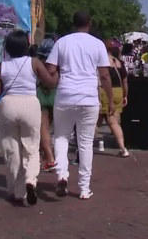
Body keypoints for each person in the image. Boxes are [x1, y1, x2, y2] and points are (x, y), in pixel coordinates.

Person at [45, 11, 113, 200]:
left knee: (61, 137)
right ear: (89, 23)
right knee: (85, 143)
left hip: (65, 95)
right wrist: (109, 98)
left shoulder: (62, 42)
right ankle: (84, 188)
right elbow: (105, 75)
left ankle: (61, 175)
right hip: (88, 98)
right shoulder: (97, 44)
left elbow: (50, 69)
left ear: (73, 23)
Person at [0, 30, 58, 206]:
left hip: (9, 104)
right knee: (32, 147)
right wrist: (57, 73)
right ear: (26, 46)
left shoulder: (1, 66)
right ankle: (30, 180)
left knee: (11, 149)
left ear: (7, 47)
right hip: (30, 103)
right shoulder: (34, 62)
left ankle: (17, 192)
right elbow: (50, 83)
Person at [97, 39, 130, 158]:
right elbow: (125, 81)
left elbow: (103, 78)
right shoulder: (119, 62)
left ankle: (122, 148)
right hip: (118, 91)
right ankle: (122, 147)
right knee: (112, 121)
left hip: (106, 91)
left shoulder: (102, 61)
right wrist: (125, 95)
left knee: (110, 122)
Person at [36, 37, 57, 172]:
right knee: (49, 129)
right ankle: (45, 156)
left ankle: (48, 158)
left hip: (41, 95)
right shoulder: (57, 65)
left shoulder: (38, 64)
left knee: (43, 129)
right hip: (56, 95)